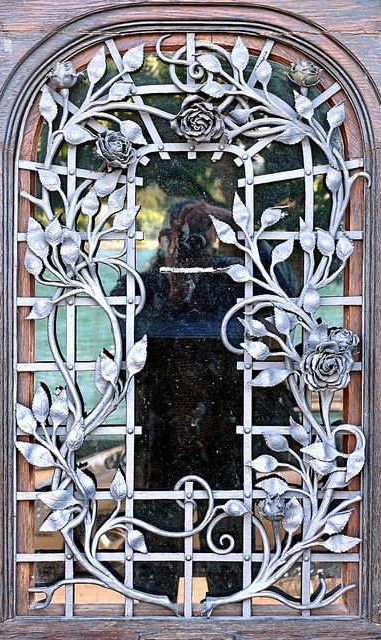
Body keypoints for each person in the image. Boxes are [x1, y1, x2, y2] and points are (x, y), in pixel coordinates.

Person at [111, 199, 296, 603]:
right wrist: (168, 278)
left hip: (227, 430)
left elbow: (287, 290)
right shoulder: (148, 284)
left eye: (202, 234)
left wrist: (239, 230)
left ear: (215, 238)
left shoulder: (231, 277)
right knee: (153, 562)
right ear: (168, 238)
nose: (194, 244)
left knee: (231, 562)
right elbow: (117, 320)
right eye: (186, 235)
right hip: (161, 433)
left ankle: (233, 619)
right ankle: (149, 622)